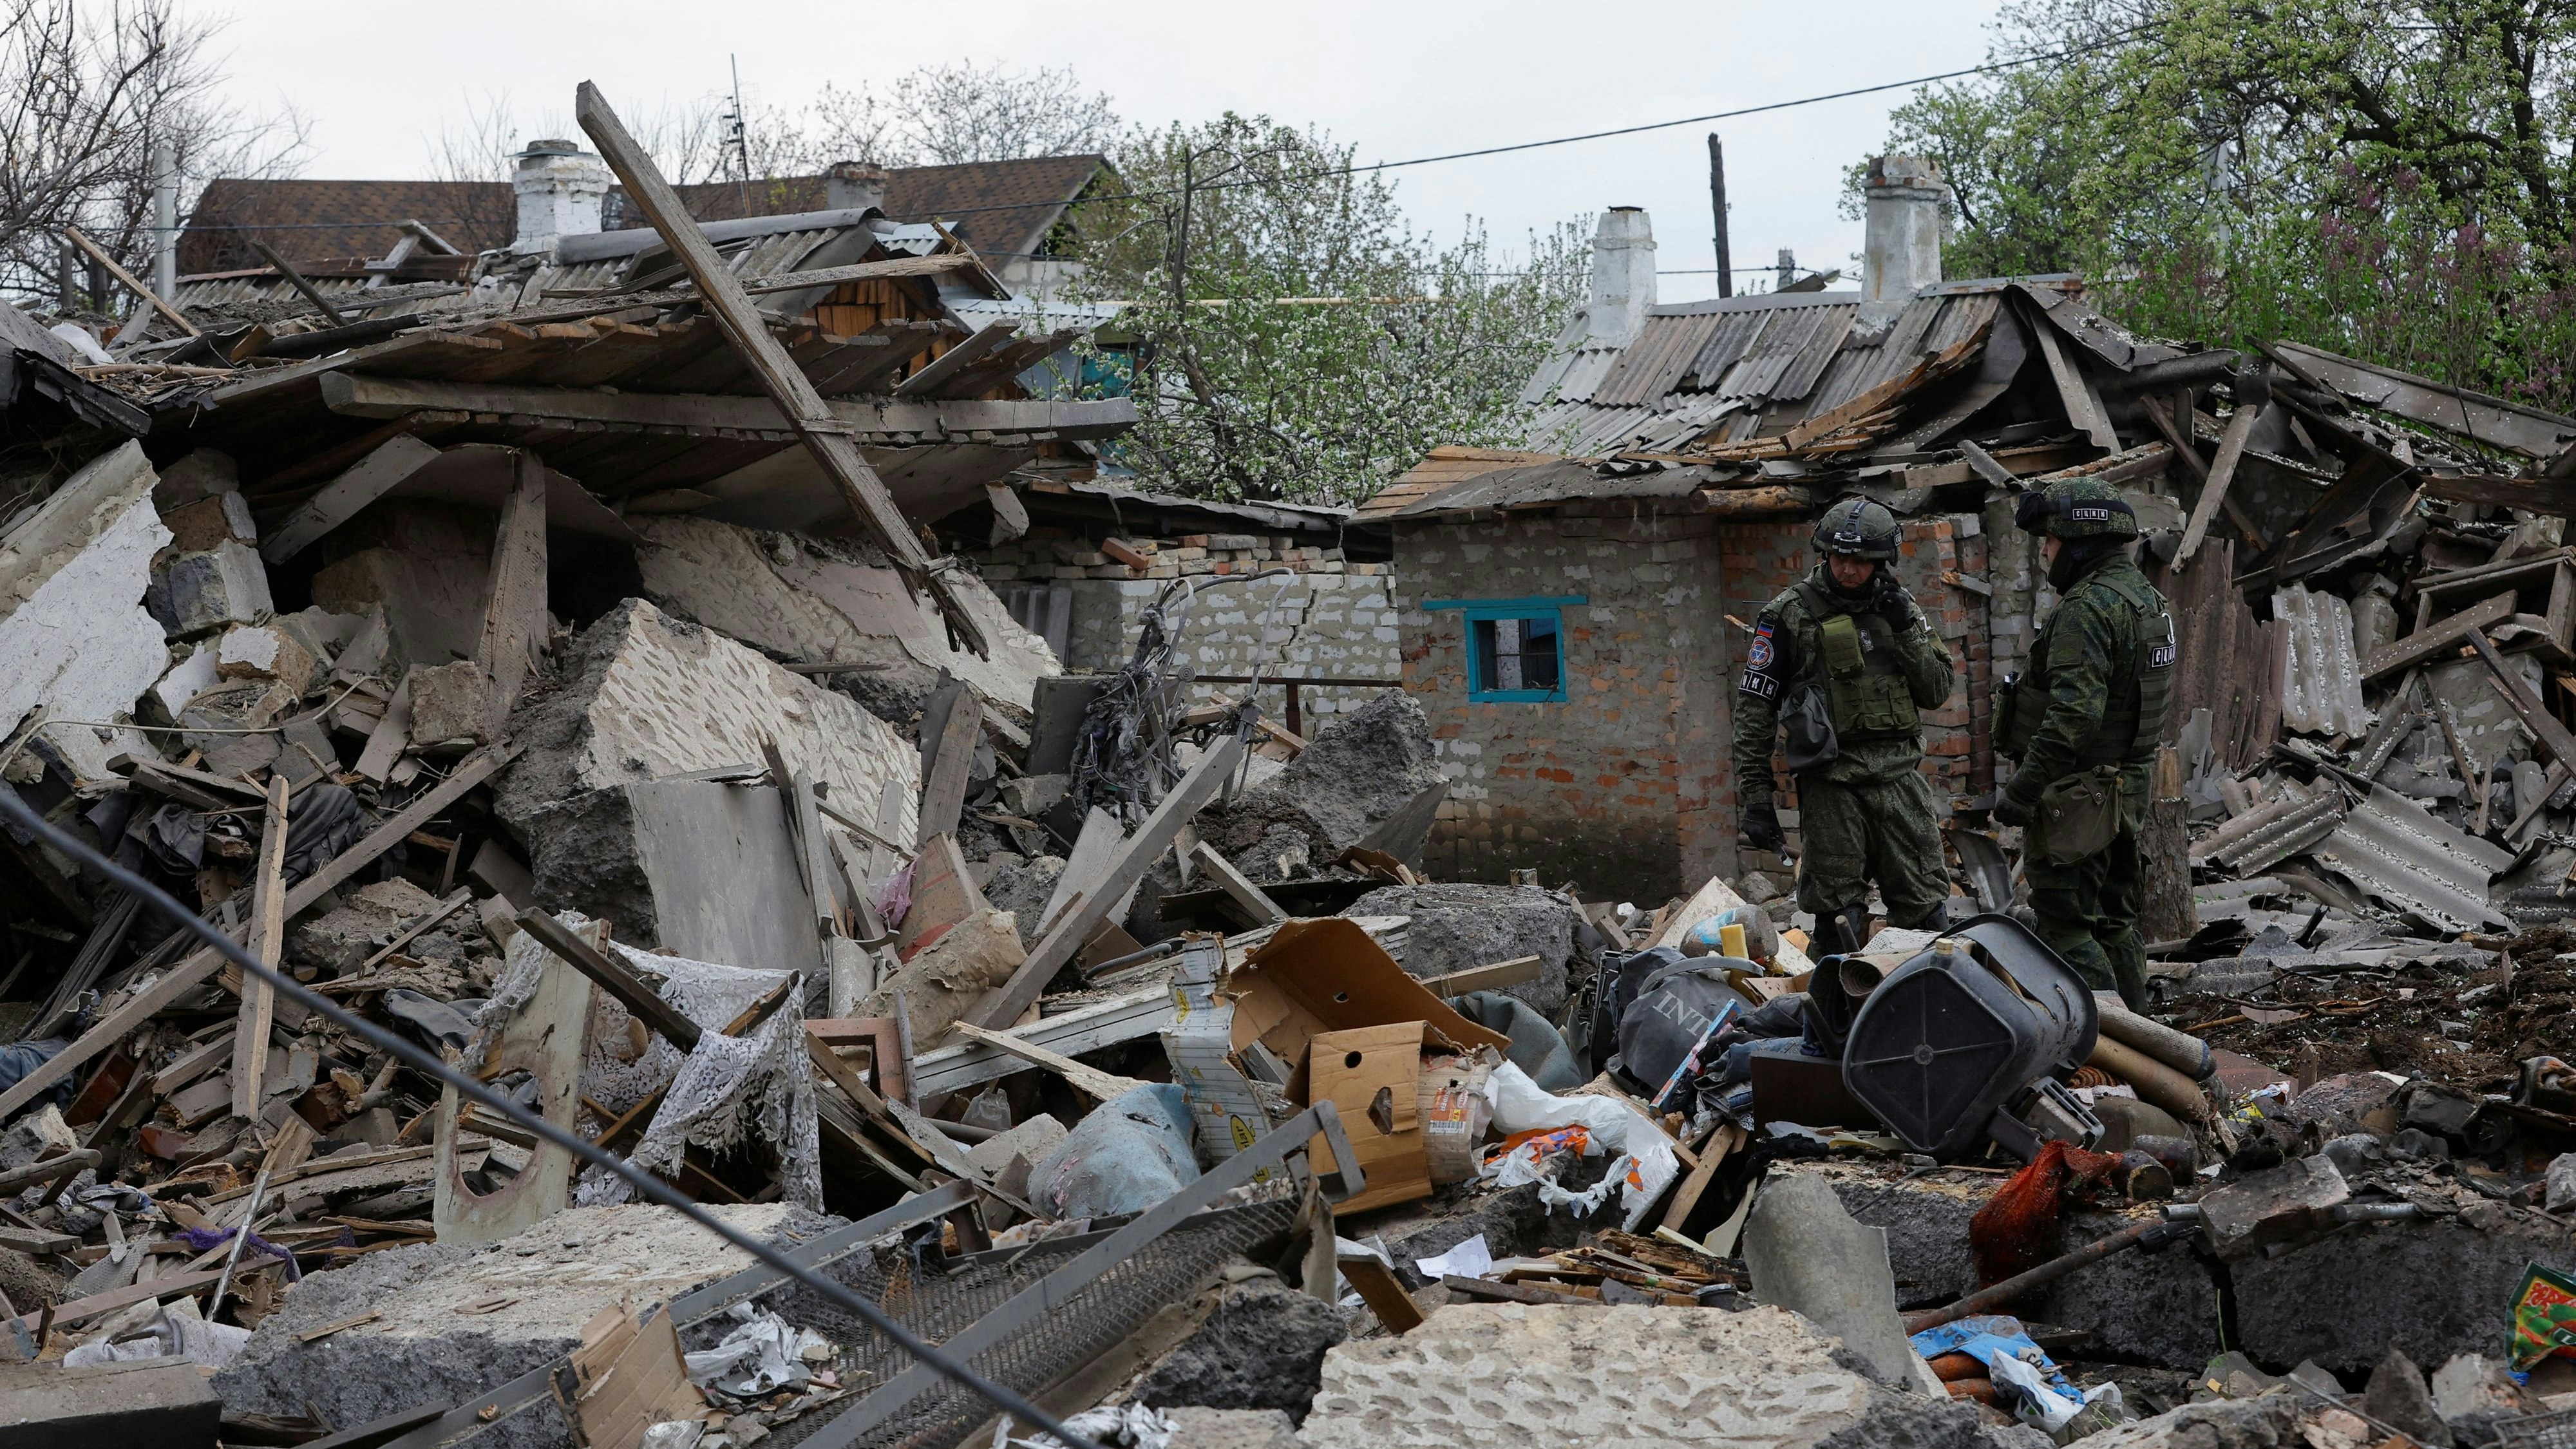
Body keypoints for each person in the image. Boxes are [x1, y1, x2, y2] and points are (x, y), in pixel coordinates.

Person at [1733, 497, 1957, 960]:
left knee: (1926, 914)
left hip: (1899, 779)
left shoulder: (1901, 607)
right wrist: (1756, 799)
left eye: (1859, 560)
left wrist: (1906, 630)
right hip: (1832, 784)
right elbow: (1755, 711)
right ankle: (1834, 1024)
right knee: (1839, 919)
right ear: (1823, 555)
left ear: (1881, 562)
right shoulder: (1787, 614)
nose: (1848, 569)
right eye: (1839, 557)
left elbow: (1936, 689)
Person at [1992, 477, 2176, 1009]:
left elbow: (2074, 716)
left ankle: (2103, 1051)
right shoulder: (2147, 599)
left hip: (2081, 793)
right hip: (2127, 784)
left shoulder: (2087, 608)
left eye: (2048, 540)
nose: (2044, 551)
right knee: (2115, 922)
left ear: (2077, 543)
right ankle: (2143, 1040)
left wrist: (2024, 790)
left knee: (2068, 924)